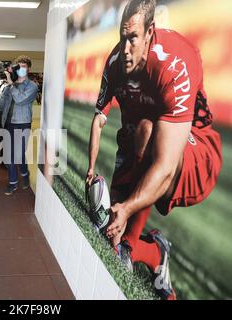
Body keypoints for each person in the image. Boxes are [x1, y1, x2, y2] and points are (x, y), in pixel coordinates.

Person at [86, 0, 222, 300]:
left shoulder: (175, 63)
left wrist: (127, 208)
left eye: (132, 38)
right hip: (145, 146)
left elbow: (165, 167)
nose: (125, 48)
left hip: (196, 152)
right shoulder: (116, 63)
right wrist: (94, 173)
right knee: (114, 232)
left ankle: (132, 247)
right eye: (122, 38)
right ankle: (154, 253)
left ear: (150, 32)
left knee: (146, 131)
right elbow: (106, 124)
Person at [0, 55, 38, 195]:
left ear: (28, 69)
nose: (21, 69)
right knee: (9, 156)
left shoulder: (32, 86)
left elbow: (20, 99)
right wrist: (4, 88)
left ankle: (24, 173)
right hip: (8, 124)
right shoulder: (11, 84)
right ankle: (13, 182)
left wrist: (10, 84)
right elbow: (2, 104)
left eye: (24, 67)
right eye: (18, 67)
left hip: (22, 124)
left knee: (19, 154)